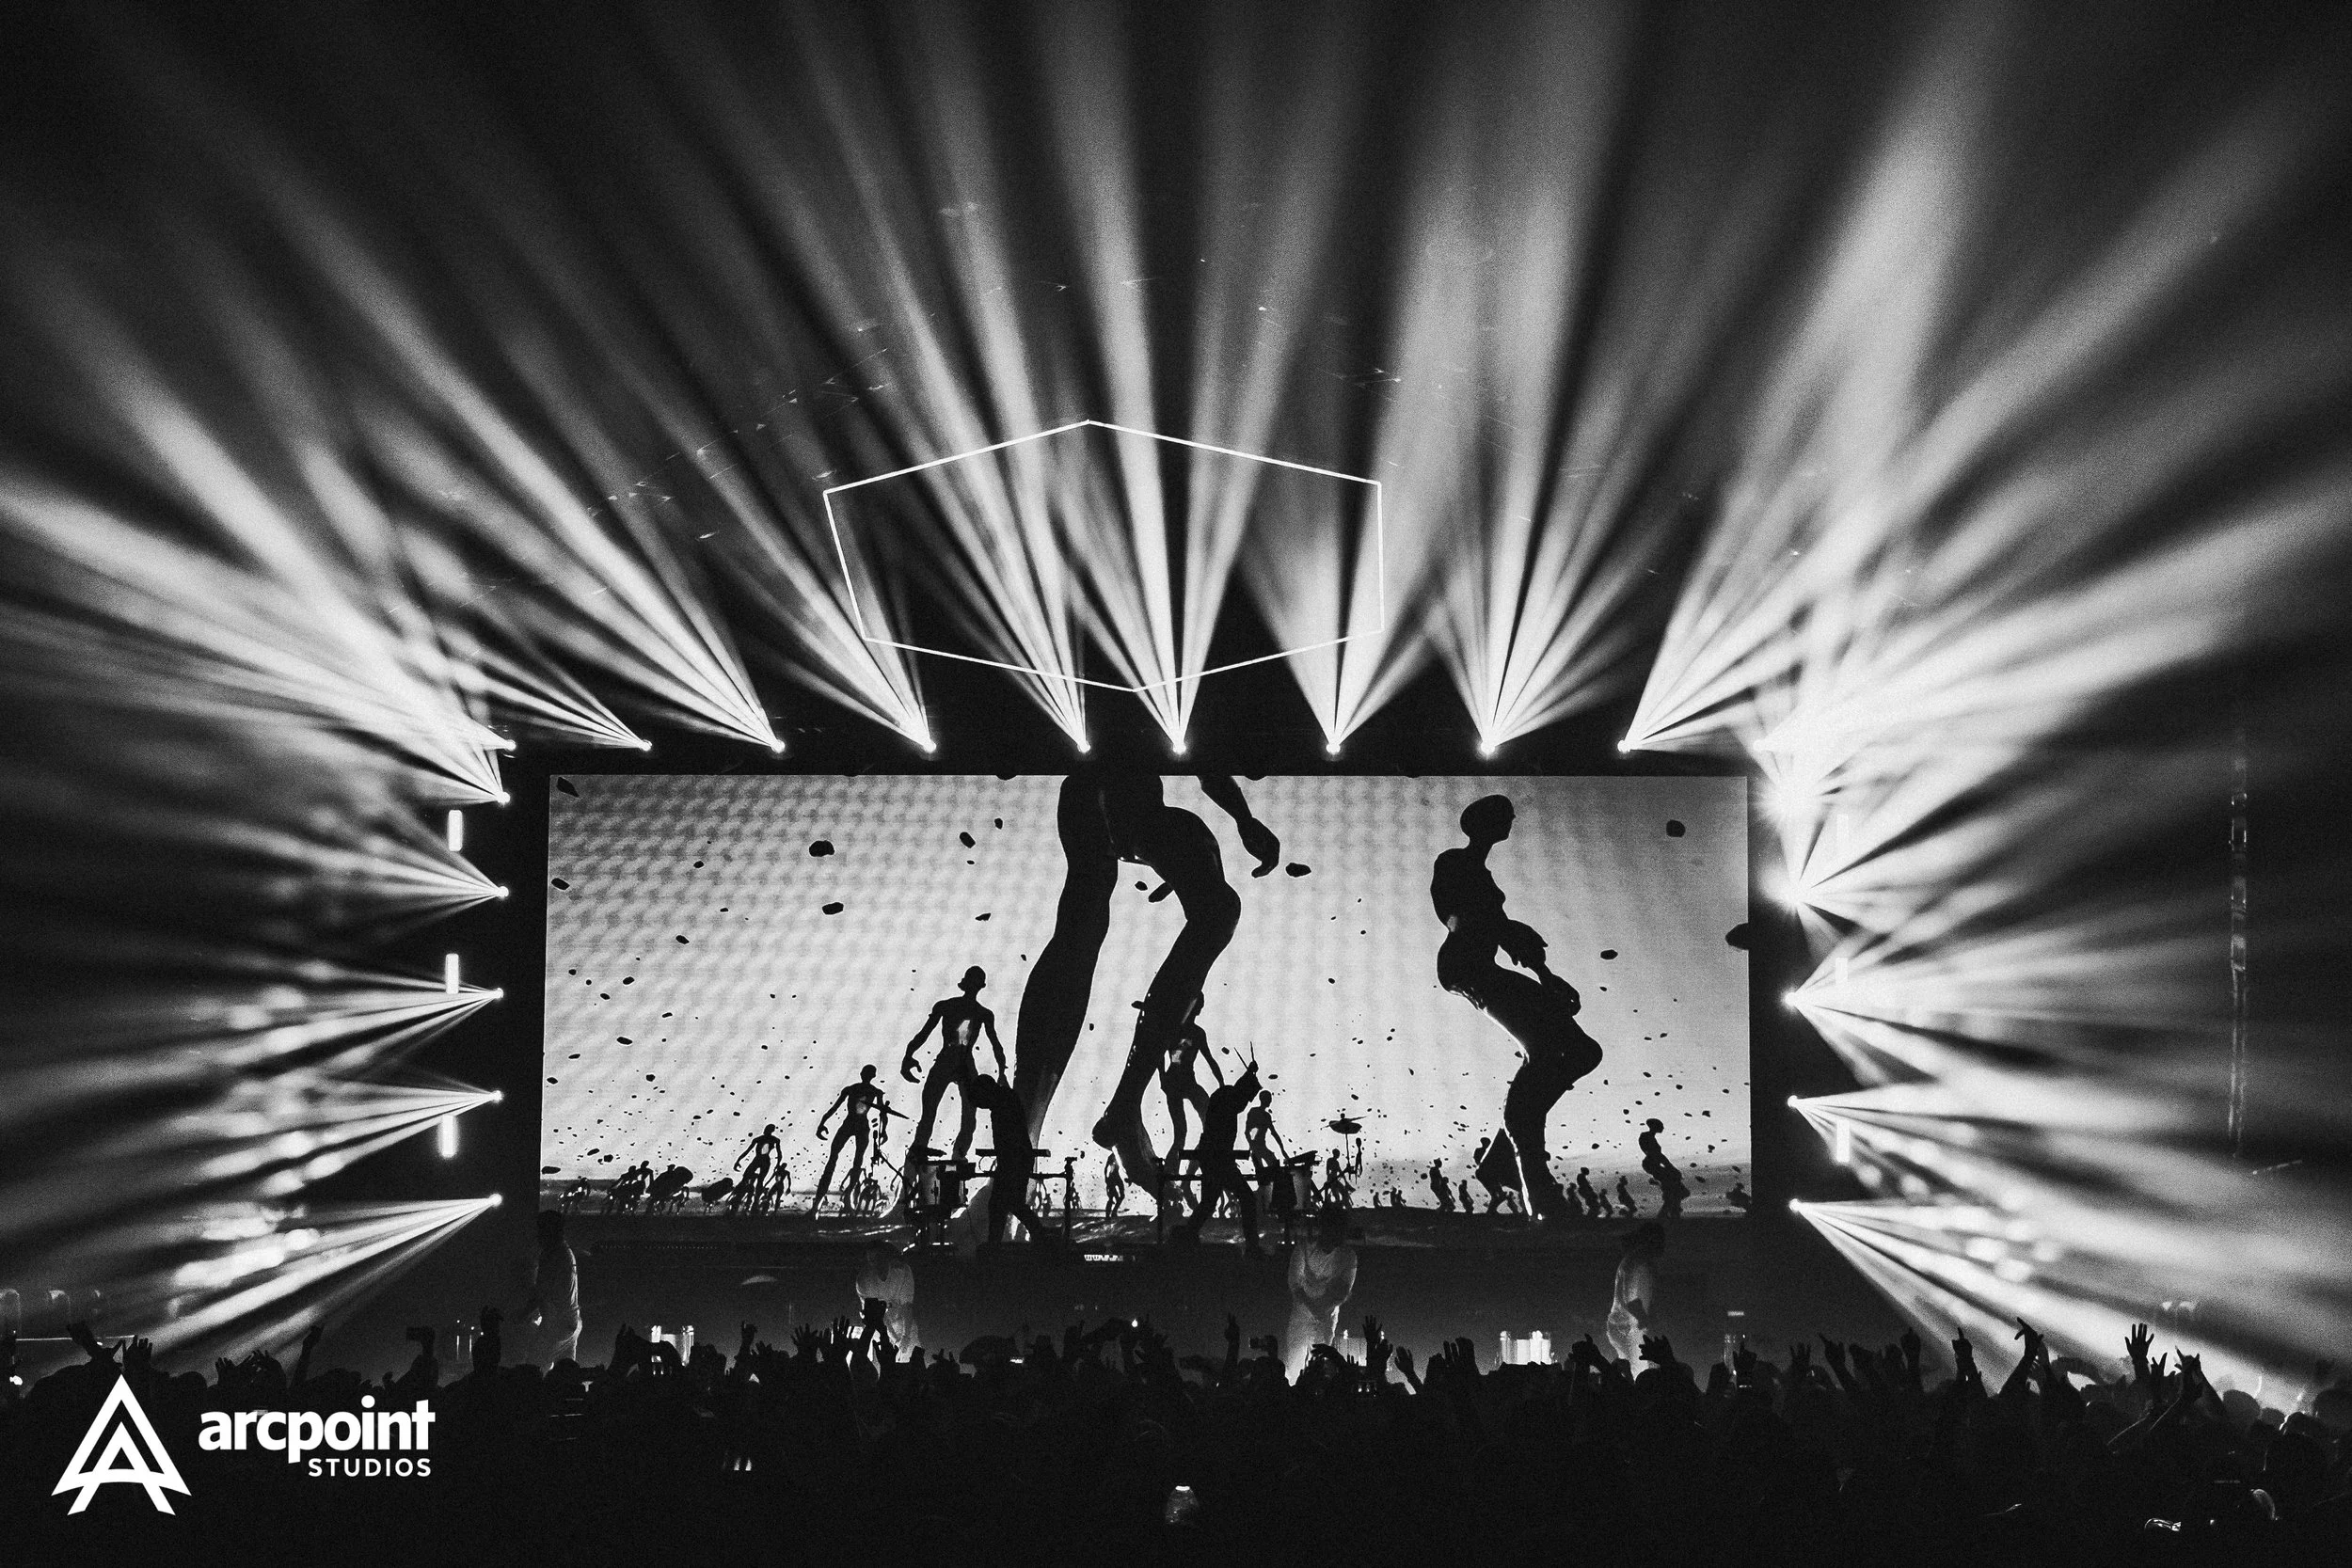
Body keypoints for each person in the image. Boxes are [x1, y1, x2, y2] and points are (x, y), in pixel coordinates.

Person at [1006, 757, 1281, 1197]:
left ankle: (1116, 1107)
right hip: (1100, 791)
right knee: (1086, 922)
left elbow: (1208, 763)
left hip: (1129, 806)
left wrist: (1244, 820)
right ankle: (1036, 1118)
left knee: (1208, 909)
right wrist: (1243, 820)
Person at [1430, 795, 1603, 1220]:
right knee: (1546, 1052)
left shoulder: (1483, 876)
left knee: (1583, 1051)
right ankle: (1535, 1183)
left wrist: (1548, 978)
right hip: (1465, 967)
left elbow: (1511, 939)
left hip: (1482, 966)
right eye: (1504, 813)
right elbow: (1457, 917)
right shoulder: (1453, 862)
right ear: (1482, 822)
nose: (1511, 818)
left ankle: (1503, 1153)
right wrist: (1508, 927)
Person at [901, 966, 1006, 1168]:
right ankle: (920, 1155)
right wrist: (908, 1055)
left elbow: (996, 1044)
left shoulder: (980, 1013)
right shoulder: (950, 1007)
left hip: (961, 1062)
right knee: (931, 1113)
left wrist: (1002, 1071)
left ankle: (957, 1155)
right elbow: (923, 1034)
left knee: (968, 1115)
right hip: (949, 1060)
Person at [1181, 1063, 1264, 1256]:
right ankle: (1252, 1247)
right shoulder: (1228, 1100)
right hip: (1218, 1160)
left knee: (1209, 1203)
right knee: (1247, 1198)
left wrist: (1249, 1073)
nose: (1248, 1102)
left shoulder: (1225, 1096)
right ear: (1244, 1092)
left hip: (1212, 1158)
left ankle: (1187, 1236)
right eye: (1249, 1097)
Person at [965, 1073, 1047, 1243]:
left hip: (1013, 1161)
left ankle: (997, 1246)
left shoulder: (1002, 1103)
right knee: (1008, 1204)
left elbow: (1009, 1137)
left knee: (1002, 1205)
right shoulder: (1005, 1098)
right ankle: (1041, 1240)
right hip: (1016, 1160)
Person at [1284, 1209, 1359, 1381]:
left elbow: (1343, 1291)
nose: (1338, 1236)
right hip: (1302, 1317)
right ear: (1325, 1228)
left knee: (1320, 1364)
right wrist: (1315, 1308)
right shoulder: (1304, 1248)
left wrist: (1323, 1309)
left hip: (1327, 1316)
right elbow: (1294, 1283)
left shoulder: (1348, 1256)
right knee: (1295, 1362)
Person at [813, 1067, 898, 1215]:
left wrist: (884, 1131)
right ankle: (819, 1204)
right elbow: (835, 1107)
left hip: (858, 1126)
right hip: (852, 1124)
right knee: (839, 1160)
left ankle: (846, 1201)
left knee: (852, 1162)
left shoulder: (868, 1091)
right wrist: (822, 1122)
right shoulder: (856, 1090)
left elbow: (882, 1113)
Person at [1158, 994, 1224, 1164]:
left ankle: (1200, 1161)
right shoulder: (1177, 1030)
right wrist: (1162, 1077)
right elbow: (1165, 1054)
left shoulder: (1196, 1033)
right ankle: (1172, 1173)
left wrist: (1222, 1084)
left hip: (1185, 1080)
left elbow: (1210, 1060)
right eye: (1198, 1006)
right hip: (1175, 1081)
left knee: (1207, 1122)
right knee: (1181, 1133)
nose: (1199, 1009)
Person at [524, 1210, 581, 1366]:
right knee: (566, 1373)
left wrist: (522, 1314)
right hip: (572, 1321)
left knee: (533, 1369)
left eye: (541, 1229)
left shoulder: (551, 1255)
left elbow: (541, 1292)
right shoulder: (566, 1252)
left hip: (556, 1325)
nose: (538, 1235)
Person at [1605, 1221, 1665, 1366]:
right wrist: (1647, 1323)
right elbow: (1631, 1301)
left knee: (1637, 1371)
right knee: (1638, 1373)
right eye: (1661, 1239)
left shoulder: (1637, 1262)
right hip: (1628, 1329)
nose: (1663, 1244)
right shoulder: (1636, 1264)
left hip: (1628, 1327)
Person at [854, 1241, 916, 1353]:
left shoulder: (903, 1272)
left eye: (878, 1258)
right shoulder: (864, 1281)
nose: (875, 1263)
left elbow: (907, 1306)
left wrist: (905, 1337)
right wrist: (893, 1339)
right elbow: (876, 1316)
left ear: (887, 1257)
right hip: (879, 1330)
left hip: (904, 1326)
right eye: (871, 1260)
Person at [1638, 1117, 1690, 1220]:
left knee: (1674, 1187)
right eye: (1661, 1126)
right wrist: (1670, 1167)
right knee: (1674, 1187)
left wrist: (1670, 1167)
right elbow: (1657, 1155)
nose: (1663, 1128)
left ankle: (1671, 1211)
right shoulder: (1646, 1137)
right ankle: (1670, 1212)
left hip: (1654, 1165)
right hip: (1652, 1165)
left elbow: (1658, 1155)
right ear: (1654, 1127)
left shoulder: (1649, 1137)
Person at [731, 1125, 782, 1212]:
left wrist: (778, 1164)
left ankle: (754, 1203)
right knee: (748, 1179)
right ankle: (744, 1201)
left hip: (761, 1160)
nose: (765, 1131)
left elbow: (779, 1153)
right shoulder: (764, 1139)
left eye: (767, 1129)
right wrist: (738, 1160)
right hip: (760, 1160)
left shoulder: (772, 1140)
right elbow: (747, 1151)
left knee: (757, 1180)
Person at [1245, 1087, 1287, 1180]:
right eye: (1269, 1099)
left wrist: (1282, 1149)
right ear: (1263, 1099)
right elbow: (1247, 1132)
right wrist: (1252, 1145)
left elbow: (1274, 1133)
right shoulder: (1254, 1112)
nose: (1270, 1101)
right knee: (1264, 1176)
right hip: (1257, 1149)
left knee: (1274, 1172)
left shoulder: (1266, 1115)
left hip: (1261, 1148)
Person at [1103, 1151, 1126, 1217]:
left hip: (1115, 1177)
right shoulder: (1112, 1157)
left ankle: (1113, 1212)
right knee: (1111, 1197)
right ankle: (1108, 1214)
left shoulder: (1119, 1156)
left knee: (1121, 1196)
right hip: (1112, 1177)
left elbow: (1124, 1167)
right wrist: (1106, 1178)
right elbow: (1106, 1168)